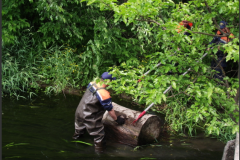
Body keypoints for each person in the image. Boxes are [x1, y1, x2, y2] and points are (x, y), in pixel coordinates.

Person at [72, 72, 125, 153]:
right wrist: (116, 119)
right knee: (99, 137)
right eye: (112, 81)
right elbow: (110, 110)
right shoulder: (104, 94)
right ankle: (100, 153)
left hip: (79, 112)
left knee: (79, 131)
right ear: (108, 81)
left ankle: (74, 144)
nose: (113, 83)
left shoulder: (92, 83)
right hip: (89, 117)